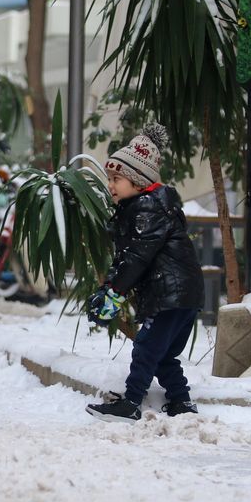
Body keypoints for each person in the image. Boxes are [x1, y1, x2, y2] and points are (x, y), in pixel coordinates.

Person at [85, 124, 204, 422]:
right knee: (163, 354)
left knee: (146, 348)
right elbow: (130, 255)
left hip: (170, 295)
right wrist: (111, 286)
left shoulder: (147, 209)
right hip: (184, 295)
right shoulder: (148, 207)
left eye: (116, 179)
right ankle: (180, 401)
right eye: (109, 178)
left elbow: (136, 258)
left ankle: (132, 402)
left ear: (138, 181)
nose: (110, 185)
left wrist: (114, 291)